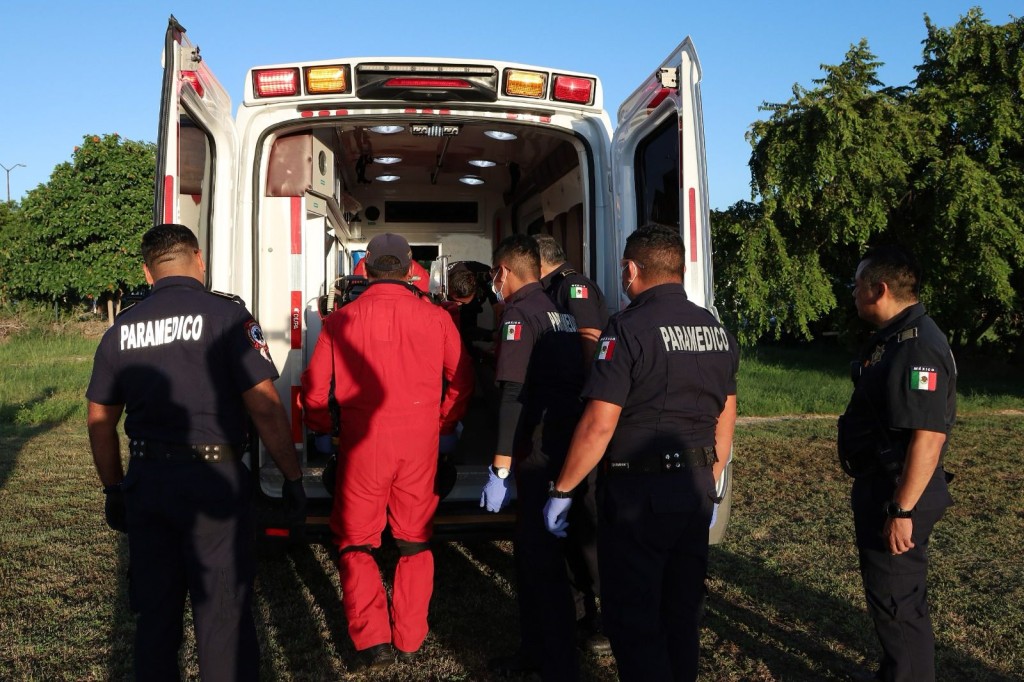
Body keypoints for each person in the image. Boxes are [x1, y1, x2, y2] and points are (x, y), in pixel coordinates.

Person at [86, 223, 307, 681]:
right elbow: (265, 407)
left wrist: (114, 489)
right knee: (222, 616)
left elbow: (99, 421)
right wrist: (292, 478)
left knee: (155, 616)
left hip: (148, 483)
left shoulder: (121, 329)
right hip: (214, 484)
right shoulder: (229, 320)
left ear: (147, 273)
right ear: (200, 260)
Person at [543, 224, 738, 682]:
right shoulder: (715, 330)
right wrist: (711, 477)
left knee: (634, 617)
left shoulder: (627, 329)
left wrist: (564, 489)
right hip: (694, 487)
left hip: (639, 496)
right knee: (681, 613)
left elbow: (598, 424)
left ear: (632, 269)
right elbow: (725, 418)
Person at [301, 232, 474, 672]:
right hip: (419, 444)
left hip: (364, 446)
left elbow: (316, 390)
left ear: (367, 268)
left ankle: (372, 638)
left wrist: (321, 431)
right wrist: (444, 423)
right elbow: (462, 379)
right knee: (414, 540)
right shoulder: (437, 318)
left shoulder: (340, 321)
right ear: (410, 266)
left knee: (356, 540)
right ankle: (411, 635)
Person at [839, 245, 956, 682]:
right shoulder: (896, 338)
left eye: (857, 284)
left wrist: (902, 509)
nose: (852, 293)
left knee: (898, 606)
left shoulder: (917, 347)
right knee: (892, 601)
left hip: (898, 494)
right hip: (886, 488)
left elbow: (929, 436)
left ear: (879, 289)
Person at [480, 233, 585, 680]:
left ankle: (555, 663)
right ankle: (538, 653)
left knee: (539, 564)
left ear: (503, 271)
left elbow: (512, 394)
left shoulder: (520, 315)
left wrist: (499, 467)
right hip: (561, 443)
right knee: (540, 561)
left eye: (494, 275)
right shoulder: (557, 310)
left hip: (538, 453)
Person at [534, 233, 610, 652]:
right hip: (561, 417)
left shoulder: (573, 287)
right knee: (572, 520)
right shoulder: (551, 289)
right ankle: (580, 609)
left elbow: (590, 342)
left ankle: (603, 616)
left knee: (588, 518)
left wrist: (587, 405)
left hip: (579, 415)